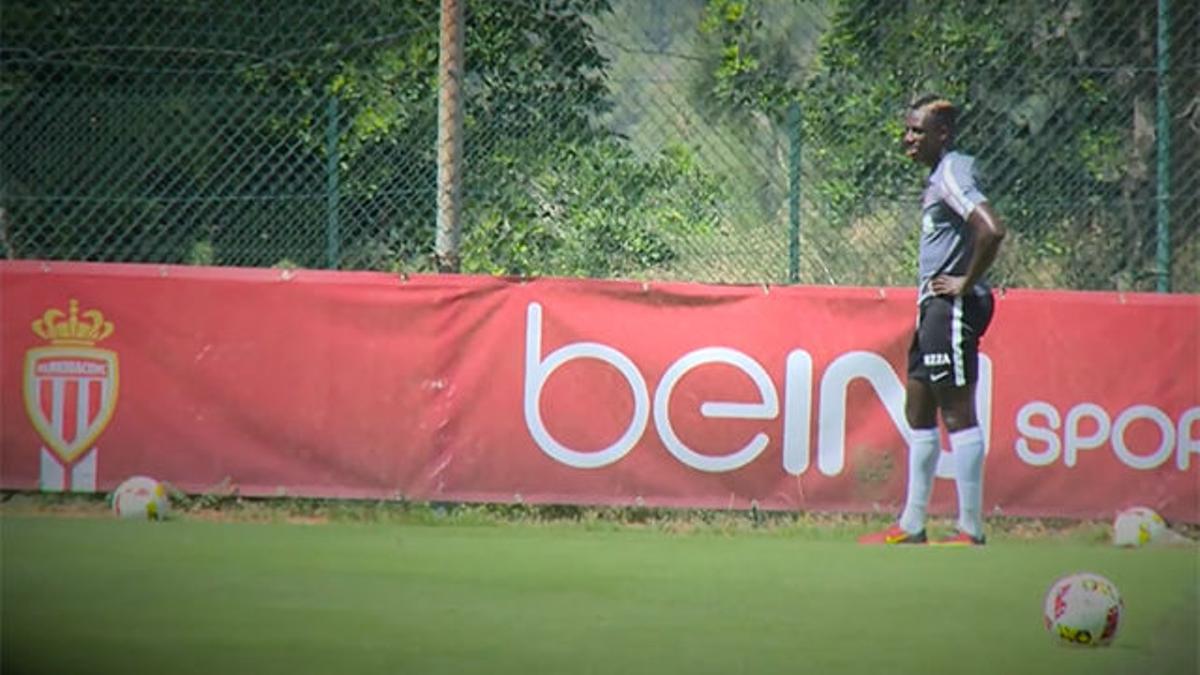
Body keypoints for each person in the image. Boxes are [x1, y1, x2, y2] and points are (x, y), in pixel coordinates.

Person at [860, 95, 1006, 546]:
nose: (908, 138)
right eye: (907, 129)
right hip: (932, 305)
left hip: (952, 305)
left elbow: (991, 228)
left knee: (957, 411)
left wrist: (964, 281)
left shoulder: (952, 172)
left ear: (942, 134)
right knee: (918, 407)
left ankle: (971, 528)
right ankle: (912, 524)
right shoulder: (937, 177)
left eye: (918, 131)